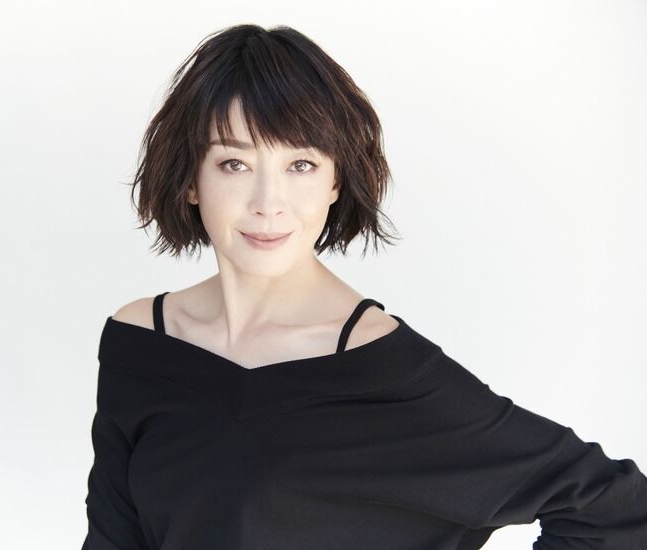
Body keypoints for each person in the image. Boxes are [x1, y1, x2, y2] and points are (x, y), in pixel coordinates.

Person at [82, 24, 647, 549]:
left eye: (301, 165)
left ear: (335, 181)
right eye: (235, 164)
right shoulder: (140, 343)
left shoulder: (383, 367)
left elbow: (611, 505)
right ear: (190, 180)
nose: (268, 203)